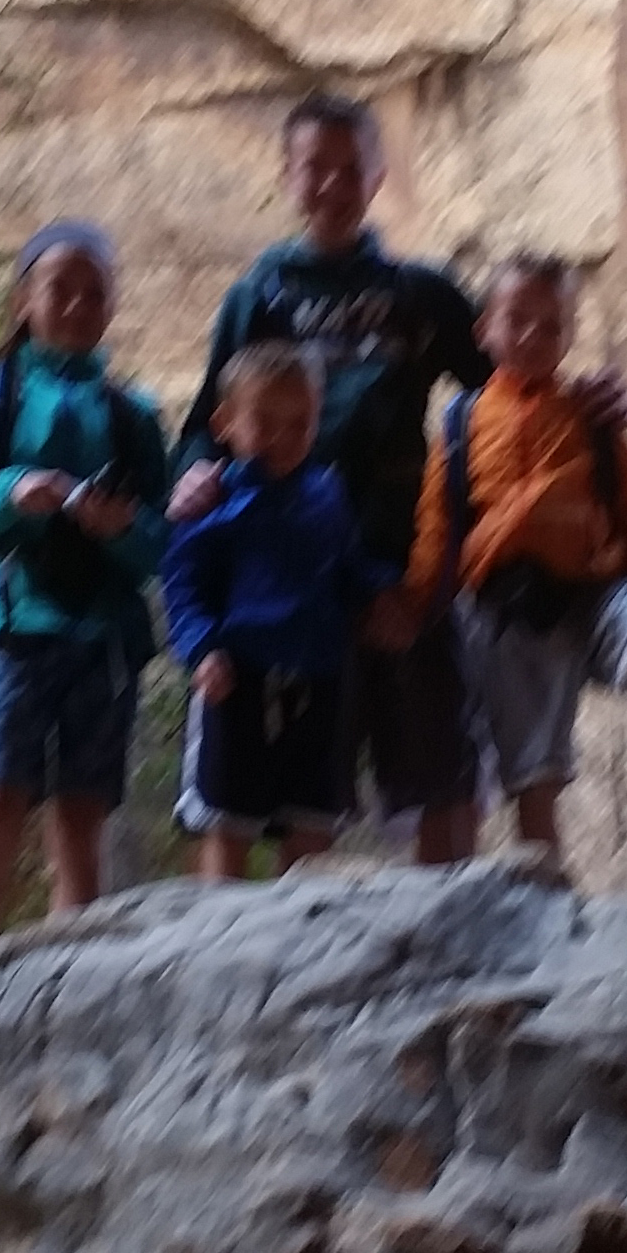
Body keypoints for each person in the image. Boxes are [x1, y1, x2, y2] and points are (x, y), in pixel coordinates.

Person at [172, 91, 495, 869]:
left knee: (438, 774)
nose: (332, 184)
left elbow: (509, 390)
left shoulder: (419, 295)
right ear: (288, 174)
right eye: (314, 167)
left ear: (378, 176)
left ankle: (450, 947)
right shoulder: (261, 294)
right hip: (280, 585)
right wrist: (192, 487)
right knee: (264, 795)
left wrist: (584, 401)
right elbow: (203, 427)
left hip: (399, 576)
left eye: (350, 168)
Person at [398, 247, 627, 861]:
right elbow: (436, 523)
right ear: (484, 329)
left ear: (571, 335)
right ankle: (552, 917)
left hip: (590, 591)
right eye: (517, 319)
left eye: (552, 324)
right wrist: (420, 602)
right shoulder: (460, 423)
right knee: (536, 785)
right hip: (507, 612)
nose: (533, 335)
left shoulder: (589, 417)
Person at [0, 221, 167, 951]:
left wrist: (117, 527)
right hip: (13, 629)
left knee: (81, 821)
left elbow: (162, 546)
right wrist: (10, 494)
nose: (79, 305)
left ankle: (66, 990)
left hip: (105, 640)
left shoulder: (135, 416)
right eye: (62, 288)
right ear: (24, 299)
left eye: (96, 293)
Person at [160, 341, 391, 884]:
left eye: (300, 424)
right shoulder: (214, 505)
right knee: (228, 819)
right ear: (226, 423)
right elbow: (183, 583)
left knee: (311, 821)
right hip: (238, 680)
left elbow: (347, 564)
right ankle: (220, 932)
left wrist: (379, 594)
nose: (283, 439)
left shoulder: (327, 493)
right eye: (265, 422)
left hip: (319, 681)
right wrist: (202, 649)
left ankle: (300, 939)